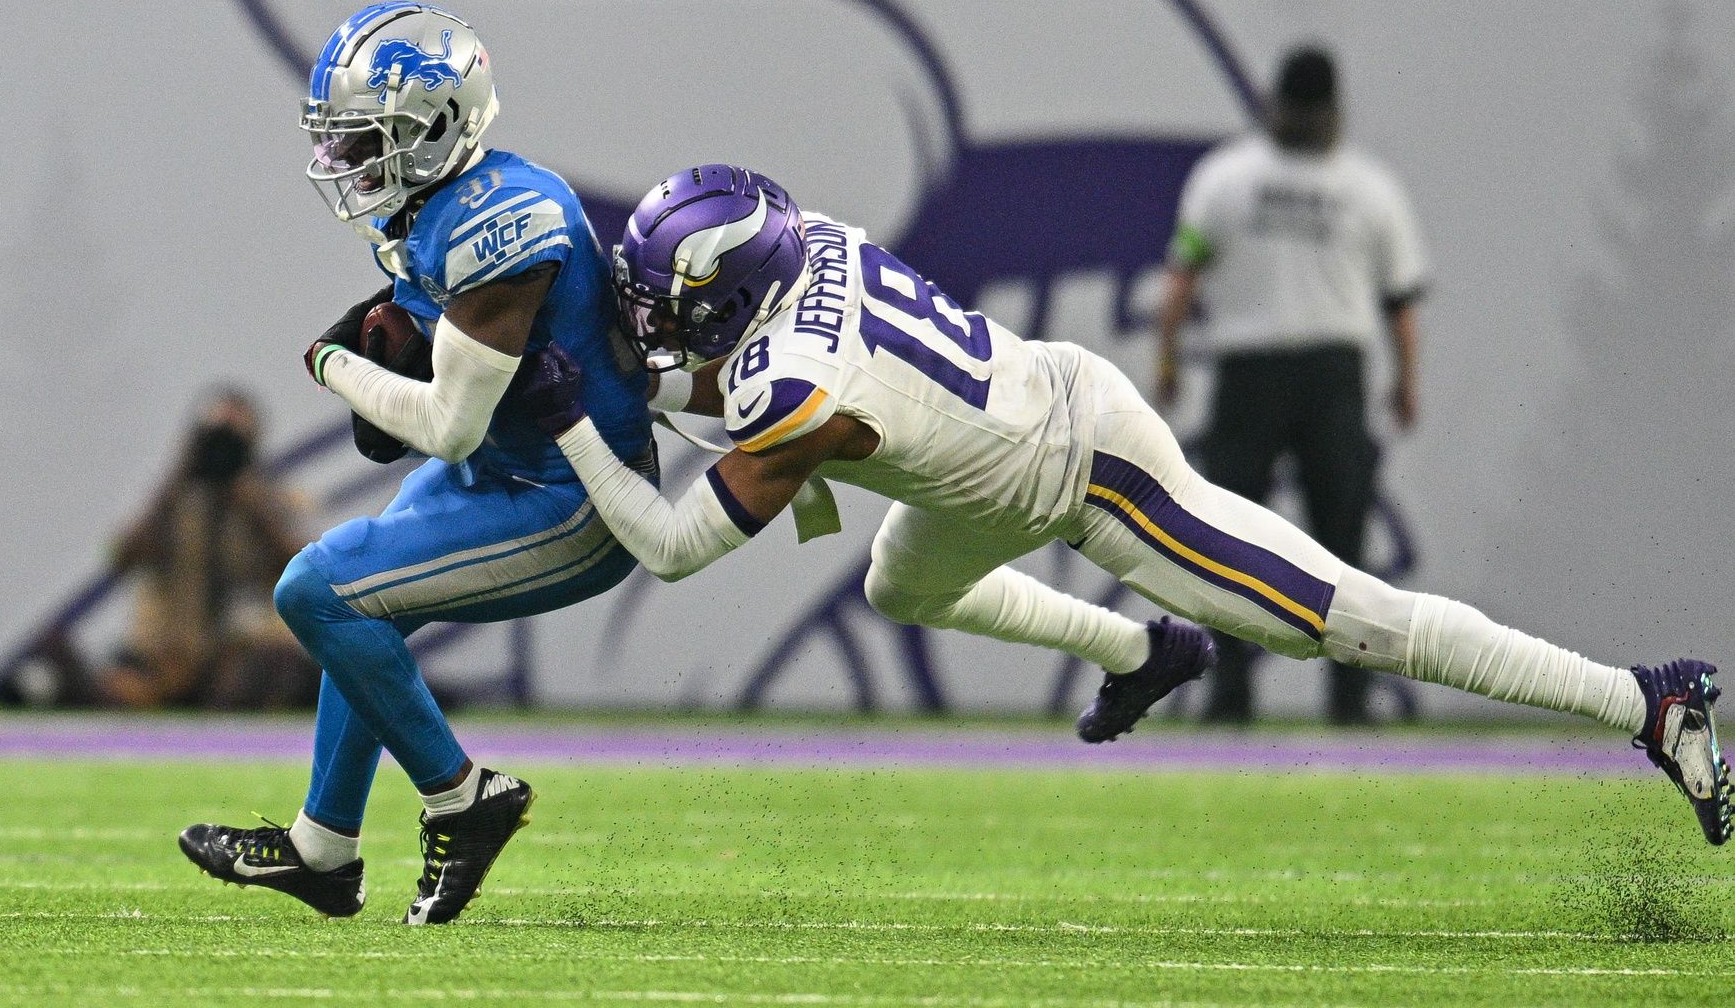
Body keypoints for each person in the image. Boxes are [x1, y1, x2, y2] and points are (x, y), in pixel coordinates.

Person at [521, 163, 1729, 848]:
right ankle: (1144, 649)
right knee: (898, 579)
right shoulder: (803, 253)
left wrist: (574, 418)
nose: (652, 320)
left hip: (1092, 468)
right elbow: (714, 376)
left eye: (669, 301)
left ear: (736, 294)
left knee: (1346, 621)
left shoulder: (793, 388)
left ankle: (1645, 699)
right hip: (1001, 445)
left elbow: (674, 545)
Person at [179, 2, 657, 924]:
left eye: (366, 140)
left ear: (434, 129)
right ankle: (324, 850)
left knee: (314, 590)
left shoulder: (505, 223)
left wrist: (333, 365)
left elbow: (448, 427)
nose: (345, 162)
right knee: (355, 597)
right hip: (511, 471)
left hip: (574, 496)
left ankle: (461, 797)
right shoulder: (437, 205)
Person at [1156, 45, 1424, 725]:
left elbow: (1182, 279)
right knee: (1240, 542)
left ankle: (1335, 697)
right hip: (1280, 368)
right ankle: (1238, 690)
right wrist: (1404, 380)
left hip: (1303, 373)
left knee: (1326, 545)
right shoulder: (1347, 185)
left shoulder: (1237, 178)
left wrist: (1168, 356)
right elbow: (1400, 304)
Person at [104, 389, 312, 710]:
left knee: (277, 670)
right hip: (169, 651)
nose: (222, 450)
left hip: (238, 654)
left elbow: (305, 571)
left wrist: (255, 506)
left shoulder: (272, 501)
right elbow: (122, 558)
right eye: (213, 438)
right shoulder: (173, 502)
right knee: (113, 683)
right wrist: (179, 475)